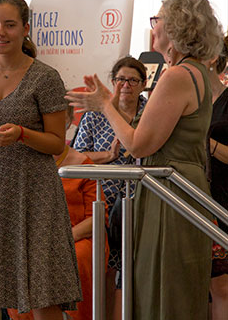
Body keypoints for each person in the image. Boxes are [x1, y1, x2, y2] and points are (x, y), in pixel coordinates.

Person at [66, 0, 223, 320]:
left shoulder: (178, 76)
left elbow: (138, 144)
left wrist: (104, 105)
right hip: (177, 186)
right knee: (173, 285)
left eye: (158, 19)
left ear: (177, 27)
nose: (154, 26)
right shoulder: (197, 73)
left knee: (165, 286)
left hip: (170, 190)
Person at [0, 0, 82, 320]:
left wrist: (22, 134)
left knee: (41, 290)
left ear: (25, 29)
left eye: (9, 25)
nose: (0, 32)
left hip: (34, 190)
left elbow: (56, 144)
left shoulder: (45, 77)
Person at [7, 105, 108, 320]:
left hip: (76, 237)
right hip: (33, 238)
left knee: (75, 257)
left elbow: (98, 217)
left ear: (69, 121)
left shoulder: (83, 164)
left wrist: (63, 239)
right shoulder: (22, 161)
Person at [72, 56, 147, 319]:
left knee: (136, 269)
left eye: (133, 80)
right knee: (105, 268)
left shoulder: (151, 113)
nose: (126, 85)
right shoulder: (95, 115)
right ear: (112, 83)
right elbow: (77, 158)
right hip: (102, 204)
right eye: (120, 80)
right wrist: (108, 155)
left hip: (142, 202)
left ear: (143, 84)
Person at [206, 34, 228, 320]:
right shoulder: (192, 100)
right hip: (195, 197)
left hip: (222, 201)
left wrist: (206, 144)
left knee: (221, 287)